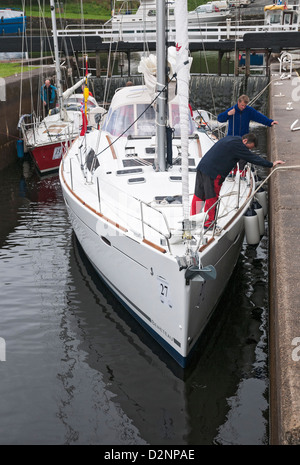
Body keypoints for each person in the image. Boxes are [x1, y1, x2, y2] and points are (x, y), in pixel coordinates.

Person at [190, 133, 285, 229]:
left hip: (202, 167)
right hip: (213, 173)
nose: (248, 151)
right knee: (212, 197)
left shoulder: (233, 139)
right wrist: (271, 164)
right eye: (248, 148)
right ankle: (209, 224)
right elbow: (253, 158)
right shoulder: (239, 146)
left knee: (199, 195)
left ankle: (193, 220)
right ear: (245, 141)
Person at [217, 94, 279, 174]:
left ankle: (242, 173)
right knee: (231, 157)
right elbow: (219, 118)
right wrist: (228, 114)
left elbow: (259, 117)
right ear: (238, 103)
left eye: (245, 105)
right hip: (232, 138)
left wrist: (270, 122)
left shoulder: (248, 110)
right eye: (242, 105)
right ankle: (232, 172)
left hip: (244, 139)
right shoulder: (232, 110)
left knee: (243, 158)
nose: (243, 107)